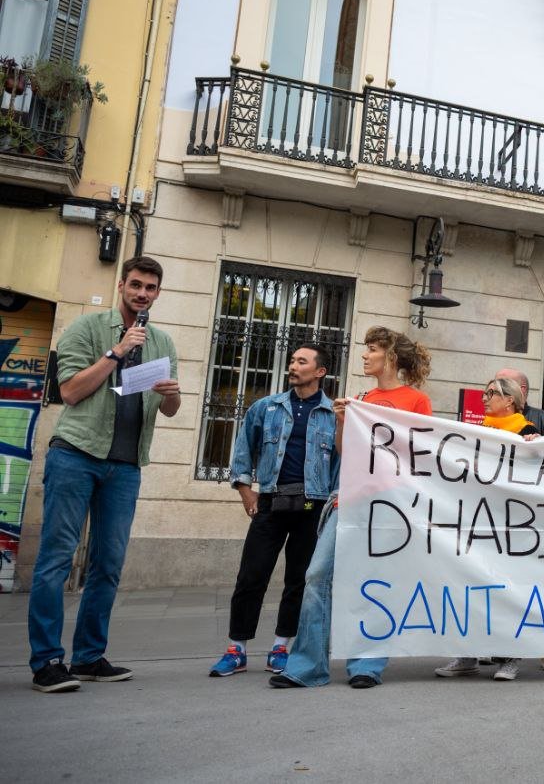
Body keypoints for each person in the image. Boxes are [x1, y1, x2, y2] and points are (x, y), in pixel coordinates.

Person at [28, 256, 181, 693]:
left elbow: (169, 409)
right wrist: (116, 353)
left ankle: (89, 657)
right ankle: (46, 662)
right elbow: (71, 391)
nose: (142, 294)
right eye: (136, 285)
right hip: (76, 454)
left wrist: (171, 395)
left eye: (150, 288)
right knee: (55, 560)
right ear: (121, 286)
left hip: (126, 464)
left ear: (157, 293)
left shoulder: (163, 342)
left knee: (108, 565)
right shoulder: (87, 328)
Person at [271, 327, 432, 690]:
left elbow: (418, 454)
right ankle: (308, 665)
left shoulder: (416, 400)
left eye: (371, 349)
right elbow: (345, 451)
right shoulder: (360, 396)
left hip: (389, 504)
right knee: (317, 575)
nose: (364, 355)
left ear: (389, 356)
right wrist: (344, 420)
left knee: (376, 581)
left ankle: (367, 664)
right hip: (349, 500)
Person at [209, 344, 338, 679]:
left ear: (320, 371)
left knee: (298, 580)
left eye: (301, 361)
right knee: (251, 576)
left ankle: (281, 647)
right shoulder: (266, 408)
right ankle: (236, 649)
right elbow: (243, 449)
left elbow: (340, 462)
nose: (293, 366)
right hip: (270, 503)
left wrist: (336, 498)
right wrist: (244, 488)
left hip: (312, 506)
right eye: (293, 360)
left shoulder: (331, 414)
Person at [435, 376, 539, 682]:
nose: (484, 398)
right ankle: (467, 654)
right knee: (471, 583)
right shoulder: (476, 431)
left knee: (507, 588)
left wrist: (535, 448)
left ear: (510, 400)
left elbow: (537, 472)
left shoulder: (527, 431)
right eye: (484, 393)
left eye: (491, 393)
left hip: (509, 521)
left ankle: (509, 656)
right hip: (476, 518)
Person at [496, 367, 544, 673]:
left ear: (518, 392)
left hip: (534, 515)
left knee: (538, 581)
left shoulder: (543, 421)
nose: (489, 395)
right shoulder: (483, 425)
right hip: (496, 515)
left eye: (499, 388)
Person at [496, 367, 544, 436]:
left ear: (521, 389)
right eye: (495, 384)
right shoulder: (486, 417)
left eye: (503, 384)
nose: (496, 388)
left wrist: (536, 442)